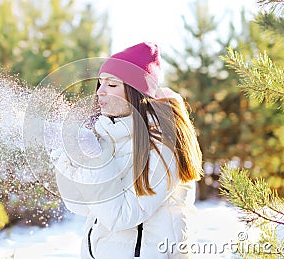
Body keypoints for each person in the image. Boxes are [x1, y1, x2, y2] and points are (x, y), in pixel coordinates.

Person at [51, 42, 203, 259]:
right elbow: (78, 204)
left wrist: (95, 158)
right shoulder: (107, 133)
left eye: (112, 85)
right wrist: (67, 155)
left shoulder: (164, 144)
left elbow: (123, 217)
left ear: (135, 93)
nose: (100, 92)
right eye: (100, 84)